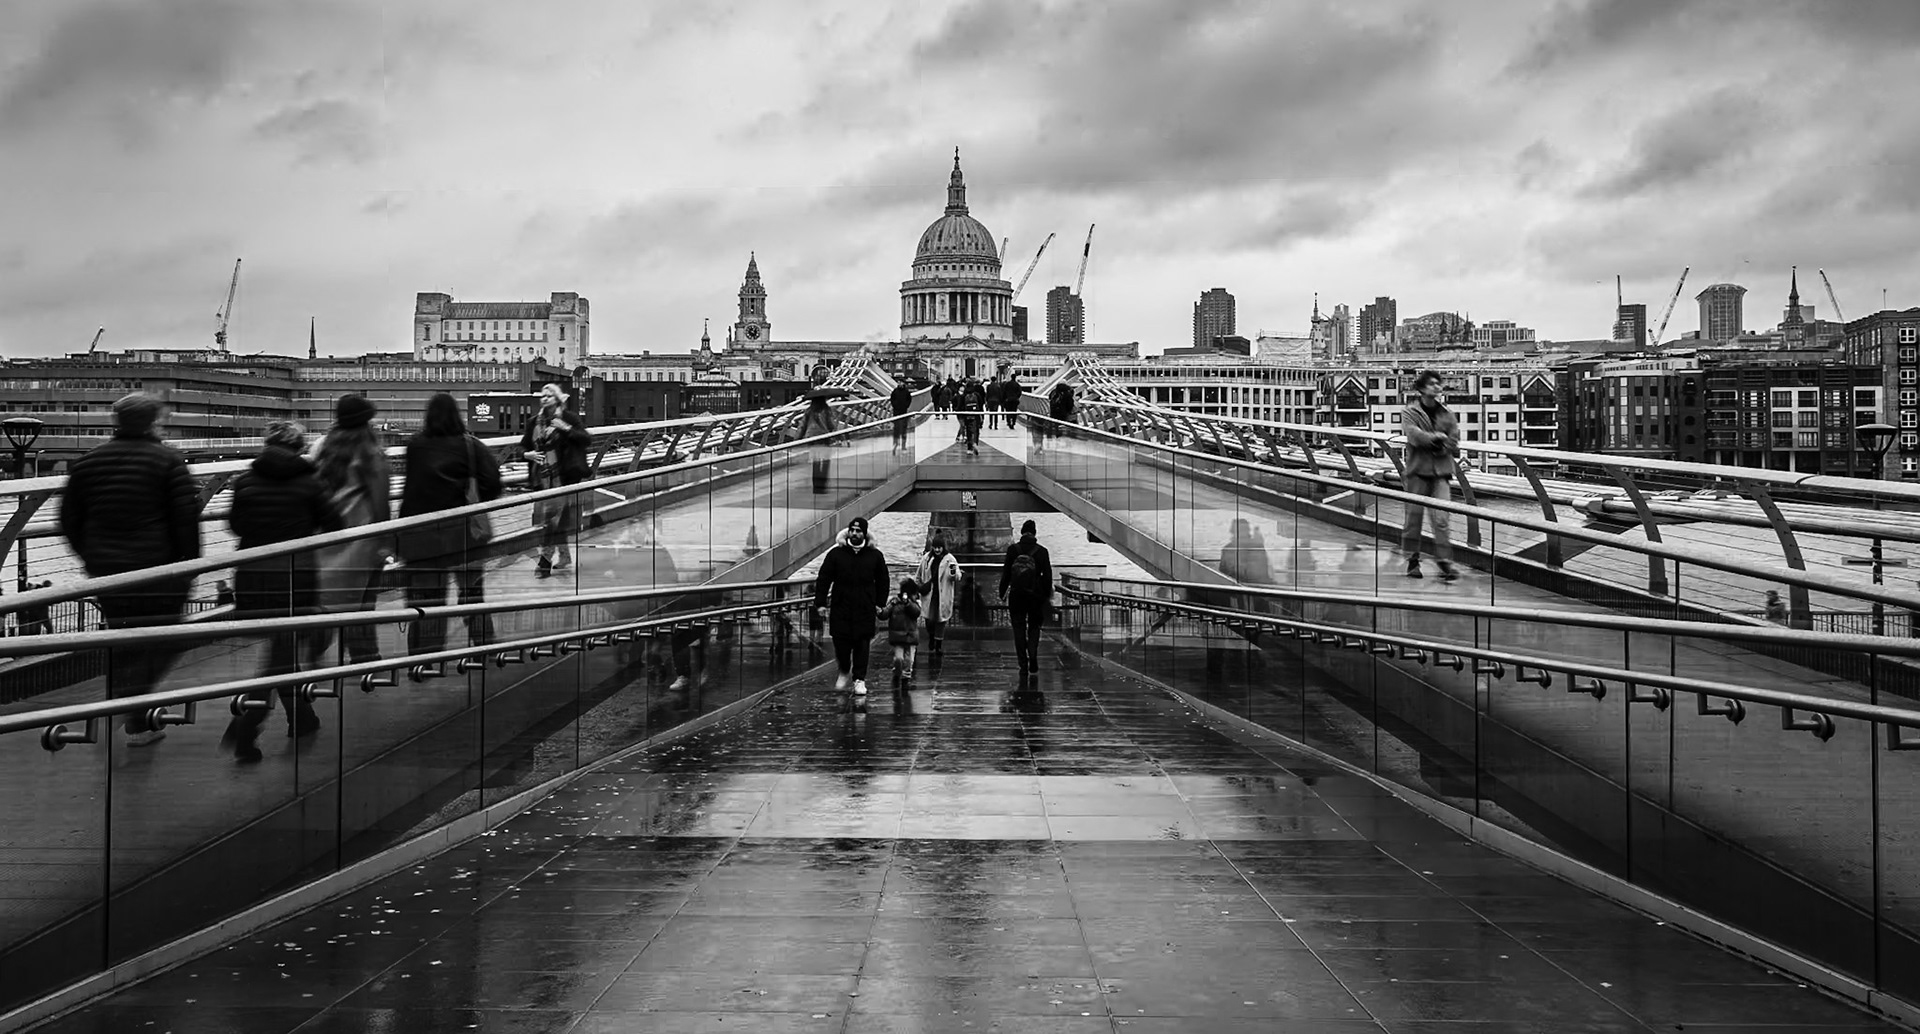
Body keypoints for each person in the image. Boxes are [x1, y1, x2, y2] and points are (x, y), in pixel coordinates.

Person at [59, 392, 202, 747]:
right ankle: (134, 712)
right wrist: (189, 567)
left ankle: (125, 710)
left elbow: (68, 519)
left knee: (122, 642)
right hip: (158, 569)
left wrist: (92, 556)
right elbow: (185, 520)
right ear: (154, 422)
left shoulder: (88, 462)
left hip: (109, 571)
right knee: (167, 639)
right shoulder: (168, 461)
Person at [224, 421, 344, 761]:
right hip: (296, 577)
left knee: (282, 651)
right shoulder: (310, 482)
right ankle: (247, 726)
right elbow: (334, 525)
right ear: (299, 447)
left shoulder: (245, 480)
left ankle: (302, 717)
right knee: (281, 656)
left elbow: (236, 525)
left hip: (252, 578)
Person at [397, 393, 504, 657]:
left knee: (425, 599)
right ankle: (483, 648)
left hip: (418, 535)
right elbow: (493, 484)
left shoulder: (415, 446)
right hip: (462, 532)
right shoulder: (470, 445)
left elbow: (411, 488)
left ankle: (423, 659)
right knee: (471, 592)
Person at [308, 393, 392, 667]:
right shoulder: (370, 453)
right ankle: (364, 659)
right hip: (361, 538)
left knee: (325, 601)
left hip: (325, 536)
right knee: (363, 602)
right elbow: (380, 502)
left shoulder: (322, 447)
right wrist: (387, 541)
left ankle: (314, 650)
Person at [813, 516, 889, 696]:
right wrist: (820, 603)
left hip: (864, 608)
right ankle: (844, 670)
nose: (855, 534)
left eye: (858, 531)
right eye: (852, 530)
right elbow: (824, 578)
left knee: (862, 644)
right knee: (841, 644)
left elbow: (883, 580)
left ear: (864, 534)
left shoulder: (875, 556)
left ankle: (859, 679)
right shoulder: (836, 554)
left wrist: (879, 603)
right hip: (841, 607)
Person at [521, 383, 592, 577]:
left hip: (565, 477)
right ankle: (565, 556)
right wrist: (528, 455)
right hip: (541, 478)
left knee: (552, 520)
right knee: (557, 520)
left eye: (549, 396)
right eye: (542, 396)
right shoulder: (533, 422)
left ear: (558, 399)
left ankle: (544, 562)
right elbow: (523, 447)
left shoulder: (569, 418)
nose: (544, 399)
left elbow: (586, 439)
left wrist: (566, 428)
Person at [1400, 369, 1460, 582]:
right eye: (1432, 383)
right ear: (1422, 388)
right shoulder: (1410, 412)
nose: (1437, 386)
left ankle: (1445, 561)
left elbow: (1454, 441)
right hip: (1418, 471)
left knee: (1442, 518)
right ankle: (1412, 559)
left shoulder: (1447, 414)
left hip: (1441, 472)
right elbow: (1414, 436)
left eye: (1438, 383)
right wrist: (1437, 437)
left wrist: (1440, 443)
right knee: (1413, 518)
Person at [998, 519, 1054, 677]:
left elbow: (1006, 574)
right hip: (1035, 596)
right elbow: (1048, 577)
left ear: (1022, 532)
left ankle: (1023, 664)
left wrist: (1002, 592)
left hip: (1016, 595)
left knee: (1018, 629)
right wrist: (1045, 595)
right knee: (1034, 628)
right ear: (1035, 533)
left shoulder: (1012, 550)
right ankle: (1033, 656)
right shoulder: (1042, 551)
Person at [917, 534, 960, 658]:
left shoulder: (950, 559)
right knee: (929, 620)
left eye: (939, 548)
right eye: (935, 547)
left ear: (943, 548)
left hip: (942, 594)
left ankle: (938, 645)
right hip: (930, 594)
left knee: (941, 621)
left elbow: (957, 576)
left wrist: (953, 572)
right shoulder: (926, 558)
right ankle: (931, 637)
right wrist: (917, 587)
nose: (937, 550)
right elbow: (919, 574)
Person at [884, 578, 922, 689]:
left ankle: (906, 677)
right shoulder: (894, 601)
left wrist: (908, 603)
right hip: (898, 636)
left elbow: (916, 612)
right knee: (898, 659)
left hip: (910, 636)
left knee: (909, 660)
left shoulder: (914, 602)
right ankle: (897, 672)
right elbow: (885, 613)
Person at [799, 394, 837, 494]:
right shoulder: (826, 409)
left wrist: (797, 439)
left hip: (812, 438)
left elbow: (802, 425)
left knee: (815, 462)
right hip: (824, 437)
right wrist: (839, 436)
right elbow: (831, 424)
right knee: (825, 462)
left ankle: (816, 487)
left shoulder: (809, 410)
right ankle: (822, 486)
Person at [956, 377, 986, 453]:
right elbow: (981, 404)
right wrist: (982, 415)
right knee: (976, 430)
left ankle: (969, 448)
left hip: (967, 415)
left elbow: (960, 406)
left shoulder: (964, 395)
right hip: (976, 414)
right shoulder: (977, 395)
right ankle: (975, 442)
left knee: (968, 431)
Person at [889, 379, 913, 452]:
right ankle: (895, 444)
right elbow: (892, 399)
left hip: (903, 412)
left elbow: (909, 399)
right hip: (896, 412)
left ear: (903, 383)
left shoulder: (906, 392)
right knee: (896, 429)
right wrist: (895, 406)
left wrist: (906, 406)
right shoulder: (895, 391)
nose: (899, 383)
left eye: (900, 382)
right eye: (898, 382)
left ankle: (903, 446)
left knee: (903, 429)